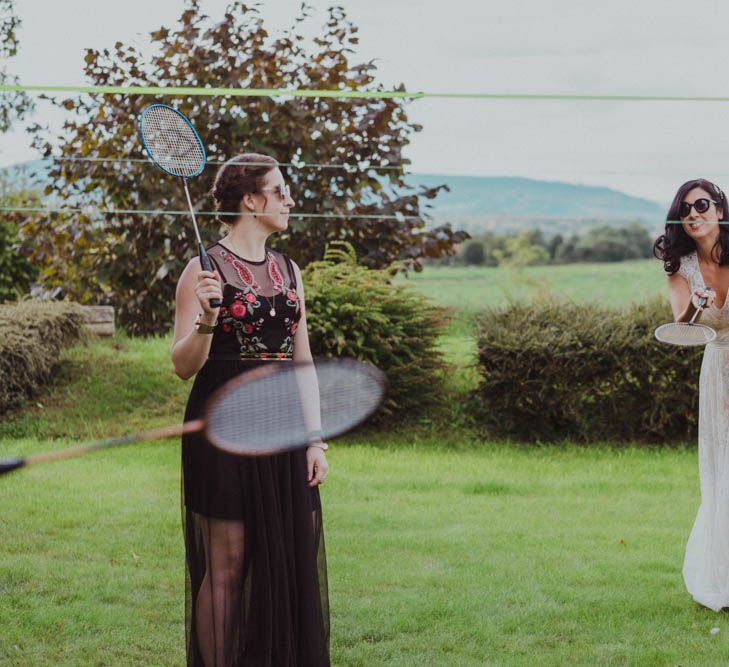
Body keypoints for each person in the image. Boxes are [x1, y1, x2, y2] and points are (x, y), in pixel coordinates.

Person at [171, 153, 330, 665]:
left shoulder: (289, 270)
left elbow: (300, 360)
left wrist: (314, 438)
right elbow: (182, 365)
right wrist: (208, 319)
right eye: (279, 189)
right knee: (227, 565)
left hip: (282, 428)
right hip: (224, 428)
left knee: (287, 557)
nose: (289, 200)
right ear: (250, 200)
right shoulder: (202, 270)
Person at [654, 178, 729, 611]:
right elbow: (683, 325)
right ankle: (720, 577)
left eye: (702, 204)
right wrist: (697, 304)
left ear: (720, 209)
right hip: (719, 368)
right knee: (722, 475)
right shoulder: (679, 266)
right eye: (686, 209)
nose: (694, 213)